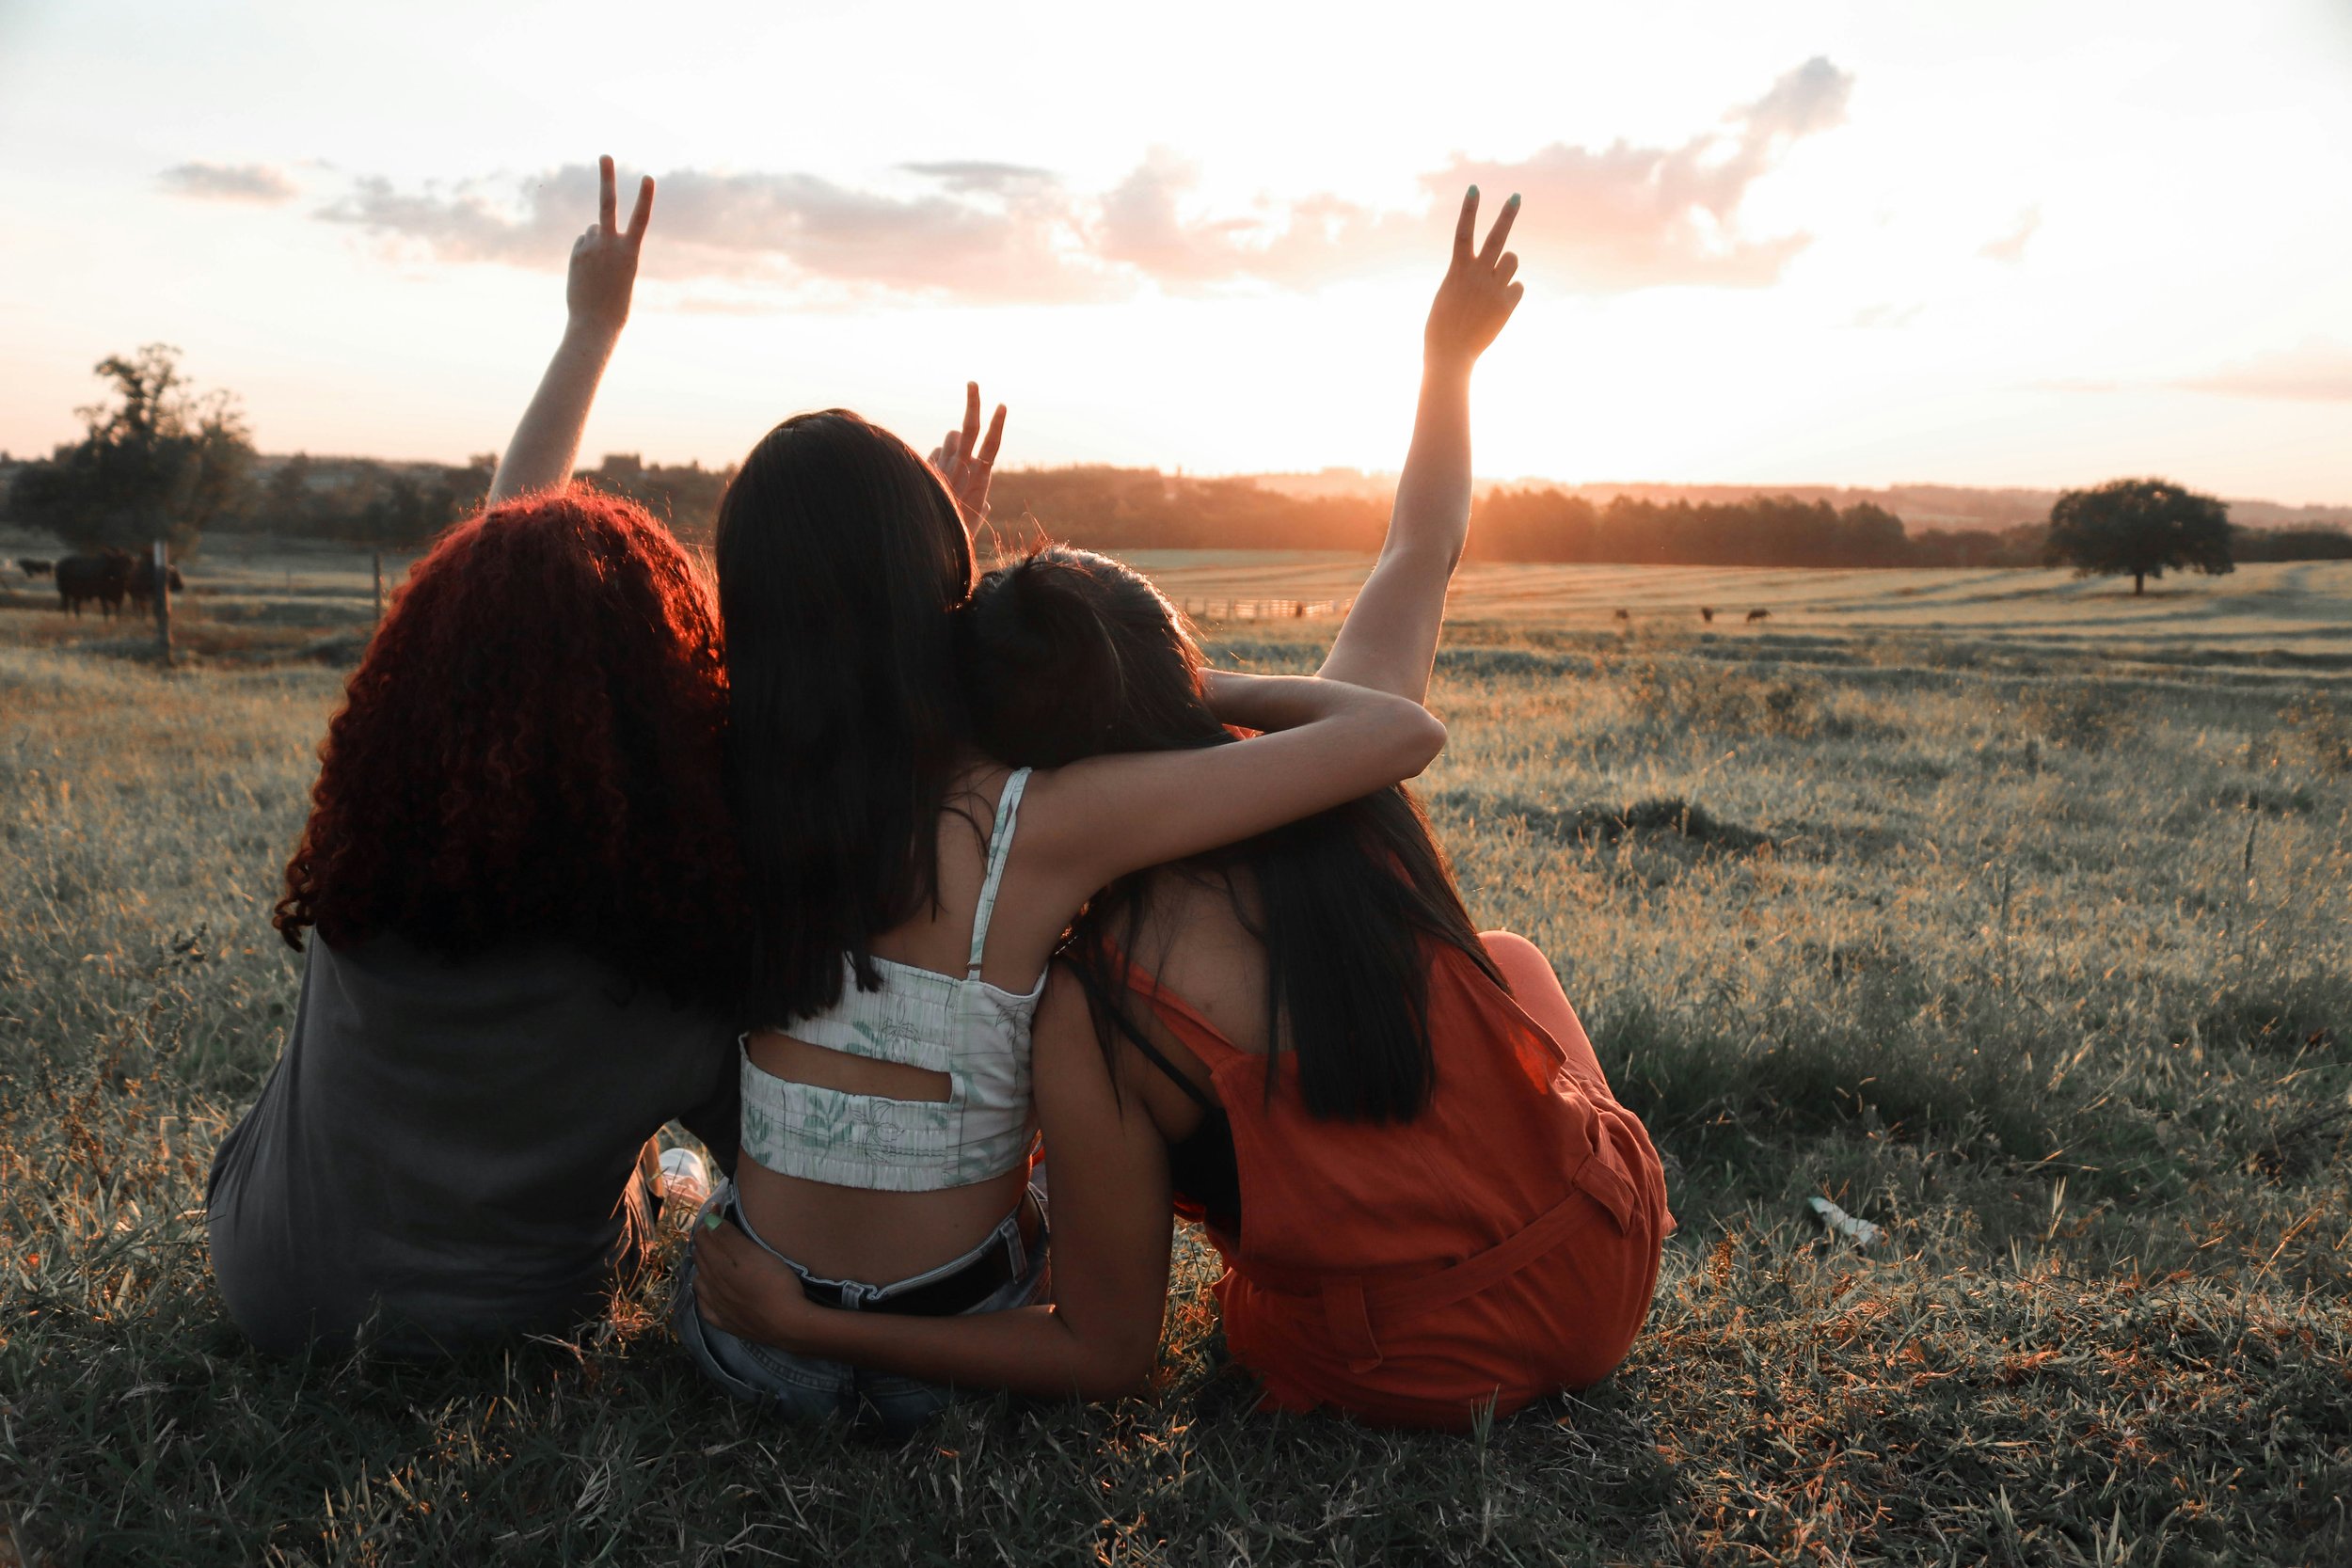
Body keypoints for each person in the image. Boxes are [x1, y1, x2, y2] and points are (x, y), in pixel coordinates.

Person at [691, 189, 1676, 1429]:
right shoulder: (1278, 767)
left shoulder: (805, 803)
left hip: (1377, 1359)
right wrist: (1446, 364)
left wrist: (936, 585)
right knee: (1512, 963)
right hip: (1602, 1265)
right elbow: (1417, 553)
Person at [208, 159, 750, 1354]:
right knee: (656, 1178)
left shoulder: (377, 864)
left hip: (269, 1282)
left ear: (430, 674)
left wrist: (588, 333)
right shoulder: (669, 961)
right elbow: (781, 1161)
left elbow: (500, 600)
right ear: (670, 713)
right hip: (511, 1329)